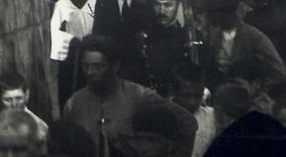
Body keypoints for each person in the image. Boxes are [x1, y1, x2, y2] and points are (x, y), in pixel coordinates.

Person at [61, 35, 196, 157]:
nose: (89, 72)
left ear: (114, 66)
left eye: (97, 66)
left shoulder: (139, 95)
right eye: (85, 66)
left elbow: (188, 122)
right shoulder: (74, 104)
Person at [197, 0, 286, 89]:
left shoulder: (253, 35)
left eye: (211, 13)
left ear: (225, 12)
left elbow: (279, 71)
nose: (208, 17)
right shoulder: (215, 35)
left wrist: (256, 87)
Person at [0, 69, 47, 141]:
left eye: (19, 98)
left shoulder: (38, 127)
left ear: (27, 95)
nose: (14, 104)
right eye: (8, 100)